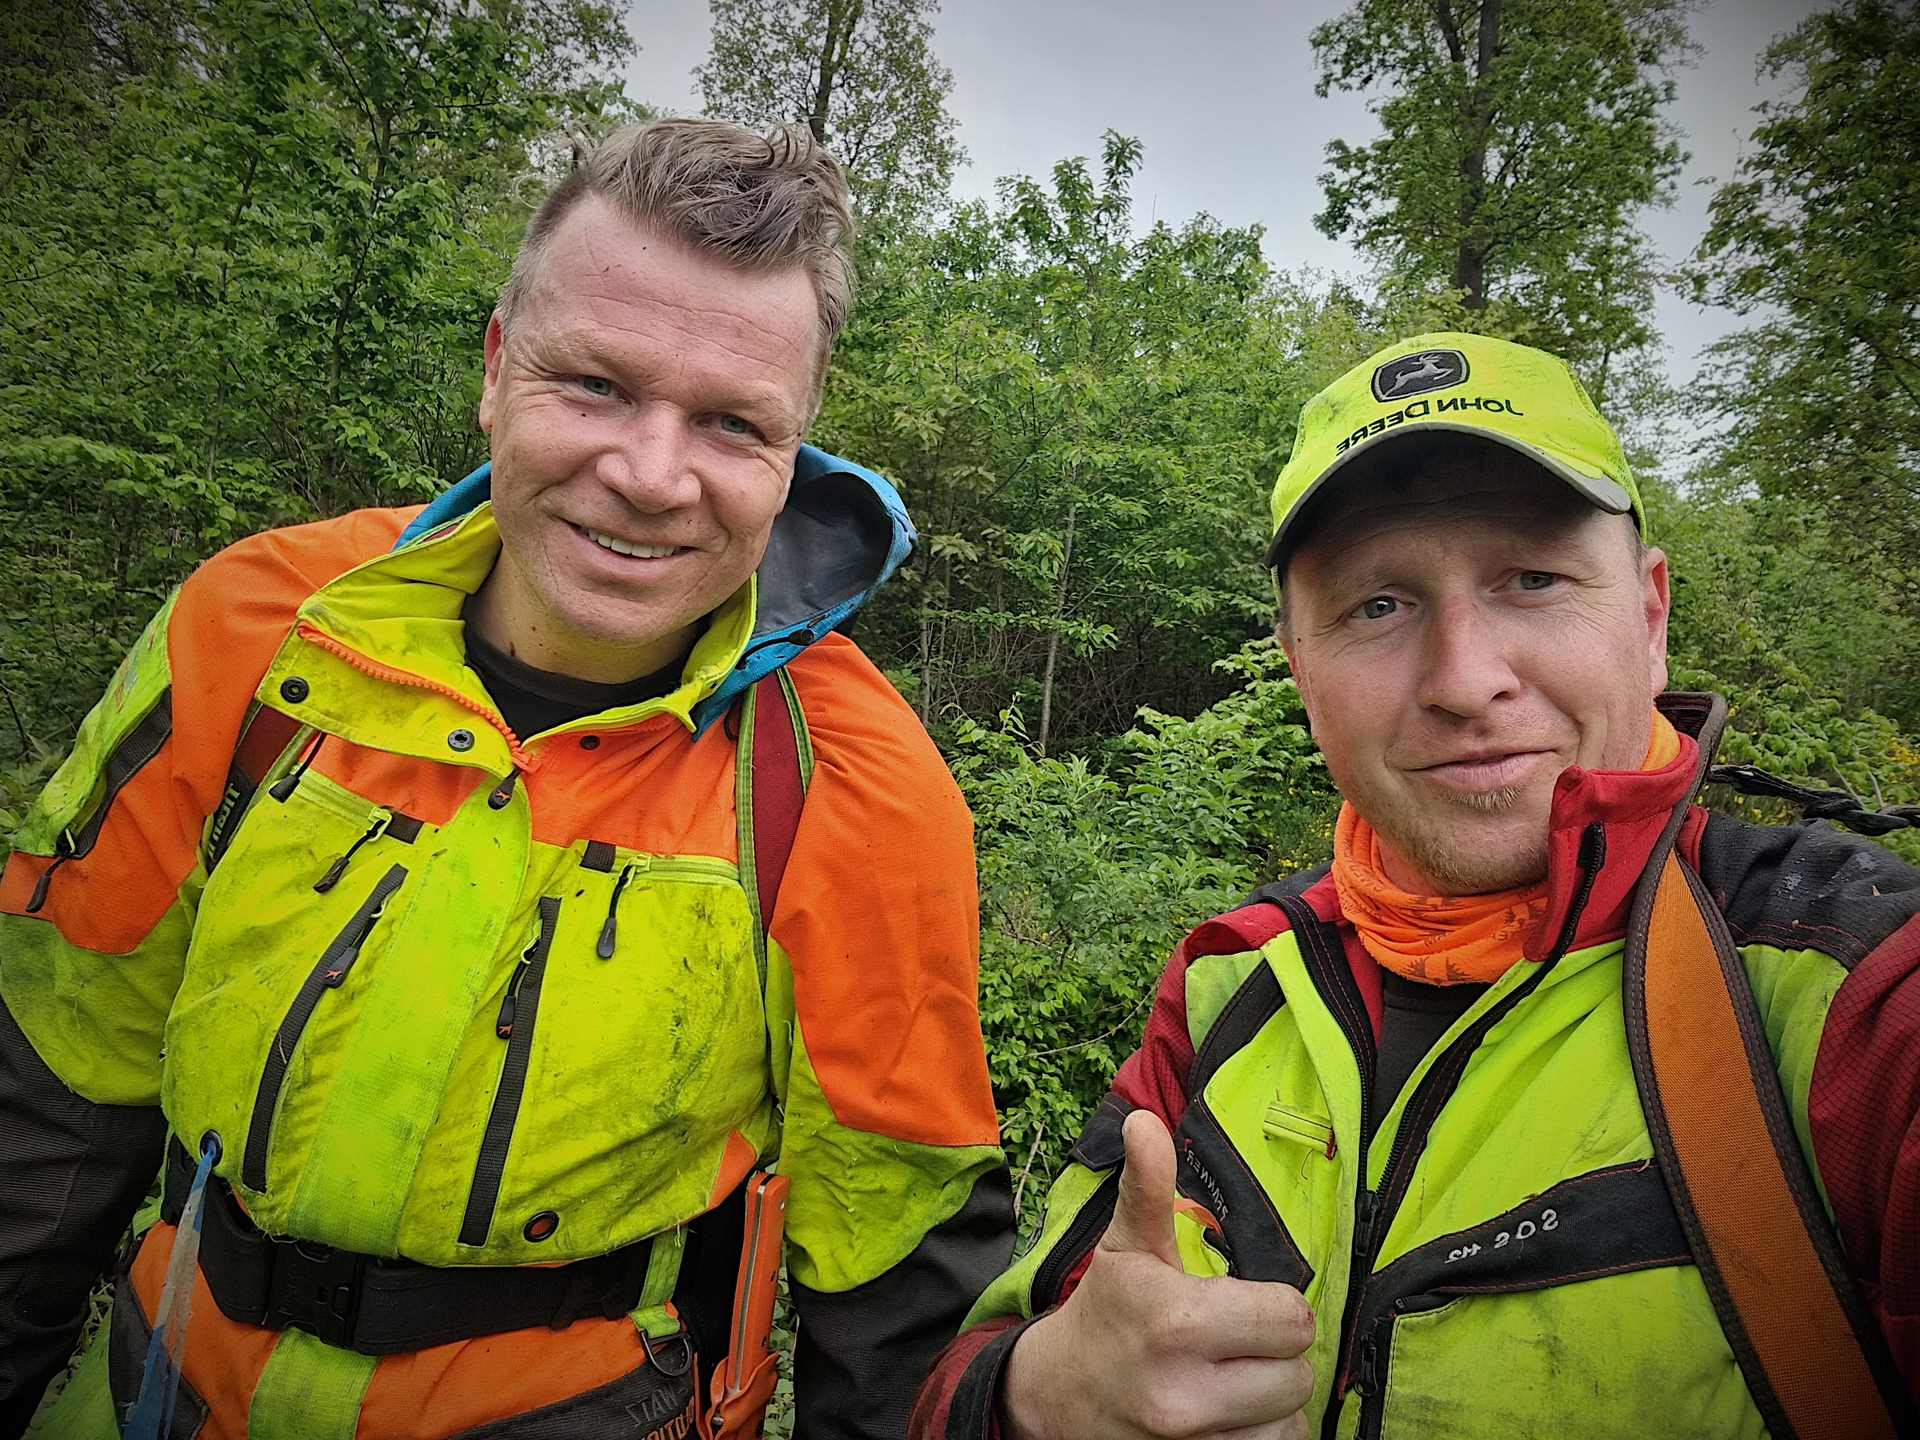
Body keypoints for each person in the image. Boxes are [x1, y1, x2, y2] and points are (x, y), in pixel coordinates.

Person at [0, 118, 1012, 1440]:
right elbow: (51, 1096)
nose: (651, 476)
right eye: (594, 385)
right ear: (494, 368)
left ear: (797, 446)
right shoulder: (256, 629)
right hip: (154, 1393)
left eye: (730, 423)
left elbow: (896, 1287)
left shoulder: (853, 785)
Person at [909, 332, 1920, 1440]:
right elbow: (965, 1377)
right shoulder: (1235, 979)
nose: (1463, 679)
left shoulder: (1853, 990)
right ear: (1300, 667)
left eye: (1532, 578)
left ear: (1650, 614)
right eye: (1378, 606)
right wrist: (1039, 1393)